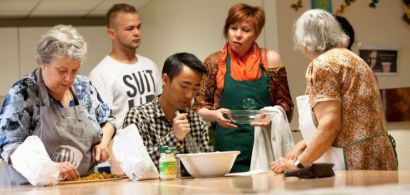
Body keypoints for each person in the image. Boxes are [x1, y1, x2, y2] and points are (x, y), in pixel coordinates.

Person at [271, 9, 397, 173]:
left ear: (305, 41)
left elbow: (330, 124)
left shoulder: (322, 65)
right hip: (380, 158)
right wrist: (304, 145)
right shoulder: (356, 60)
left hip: (353, 163)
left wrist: (298, 164)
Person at [0, 25, 116, 185]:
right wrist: (49, 168)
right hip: (29, 188)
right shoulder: (23, 93)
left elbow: (108, 120)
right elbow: (9, 145)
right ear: (42, 63)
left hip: (79, 186)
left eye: (74, 70)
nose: (69, 78)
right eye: (62, 71)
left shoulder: (83, 87)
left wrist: (103, 144)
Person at [193, 3, 294, 172]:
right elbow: (198, 108)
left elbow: (287, 107)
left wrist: (271, 115)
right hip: (227, 150)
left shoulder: (271, 60)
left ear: (257, 34)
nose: (238, 35)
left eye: (245, 30)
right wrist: (214, 115)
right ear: (227, 29)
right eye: (233, 28)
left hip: (265, 148)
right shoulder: (214, 62)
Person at [88, 3, 162, 173]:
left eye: (138, 27)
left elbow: (160, 107)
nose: (137, 33)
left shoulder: (150, 65)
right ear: (111, 33)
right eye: (129, 29)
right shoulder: (100, 74)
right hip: (121, 158)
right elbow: (103, 123)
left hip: (154, 150)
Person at [123, 52, 212, 169]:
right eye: (184, 86)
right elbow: (137, 167)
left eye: (195, 88)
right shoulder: (138, 117)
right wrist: (174, 137)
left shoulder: (197, 122)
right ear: (165, 80)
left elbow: (204, 168)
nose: (189, 95)